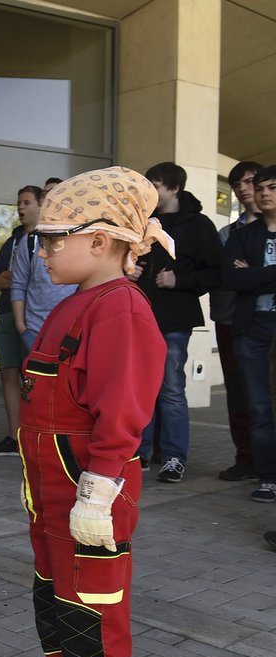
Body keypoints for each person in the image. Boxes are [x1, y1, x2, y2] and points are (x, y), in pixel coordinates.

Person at [0, 166, 168, 657]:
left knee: (92, 607)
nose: (41, 249)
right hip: (52, 495)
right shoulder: (78, 304)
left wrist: (97, 491)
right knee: (55, 596)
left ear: (101, 240)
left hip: (89, 495)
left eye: (54, 237)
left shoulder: (121, 309)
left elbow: (122, 411)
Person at [134, 162, 222, 483]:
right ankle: (140, 453)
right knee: (142, 388)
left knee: (170, 388)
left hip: (174, 318)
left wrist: (179, 279)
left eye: (155, 185)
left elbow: (214, 271)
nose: (150, 191)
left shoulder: (197, 225)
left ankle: (173, 457)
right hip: (140, 316)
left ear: (174, 189)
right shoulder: (142, 222)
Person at [221, 164, 276, 503]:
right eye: (261, 188)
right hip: (252, 331)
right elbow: (232, 279)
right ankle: (268, 477)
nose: (265, 193)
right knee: (258, 407)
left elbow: (246, 278)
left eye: (272, 187)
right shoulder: (242, 235)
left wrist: (255, 273)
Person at [213, 160, 262, 481]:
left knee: (264, 395)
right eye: (236, 184)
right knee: (238, 393)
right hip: (230, 321)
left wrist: (253, 274)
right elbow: (225, 277)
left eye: (249, 182)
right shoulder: (227, 233)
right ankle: (245, 458)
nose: (243, 189)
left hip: (265, 321)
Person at [0, 195, 29, 457]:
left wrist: (13, 277)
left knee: (32, 377)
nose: (21, 207)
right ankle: (14, 437)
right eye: (19, 202)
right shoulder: (12, 241)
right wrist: (14, 279)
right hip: (5, 313)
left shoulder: (46, 240)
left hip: (34, 316)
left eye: (27, 202)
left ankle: (33, 437)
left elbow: (31, 279)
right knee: (8, 374)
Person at [11, 185, 76, 354]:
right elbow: (18, 284)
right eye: (46, 196)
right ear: (41, 203)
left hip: (71, 329)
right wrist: (21, 328)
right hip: (34, 330)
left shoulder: (79, 239)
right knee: (34, 380)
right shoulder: (30, 241)